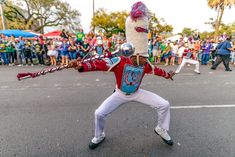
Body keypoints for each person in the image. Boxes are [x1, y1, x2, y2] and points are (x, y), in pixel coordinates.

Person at [70, 1, 175, 150]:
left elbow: (157, 70)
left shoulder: (145, 64)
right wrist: (81, 66)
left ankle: (161, 129)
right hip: (119, 94)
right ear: (133, 55)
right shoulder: (119, 61)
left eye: (146, 57)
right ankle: (99, 135)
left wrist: (167, 75)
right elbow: (99, 64)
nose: (145, 60)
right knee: (99, 113)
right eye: (142, 57)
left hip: (137, 93)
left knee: (164, 104)